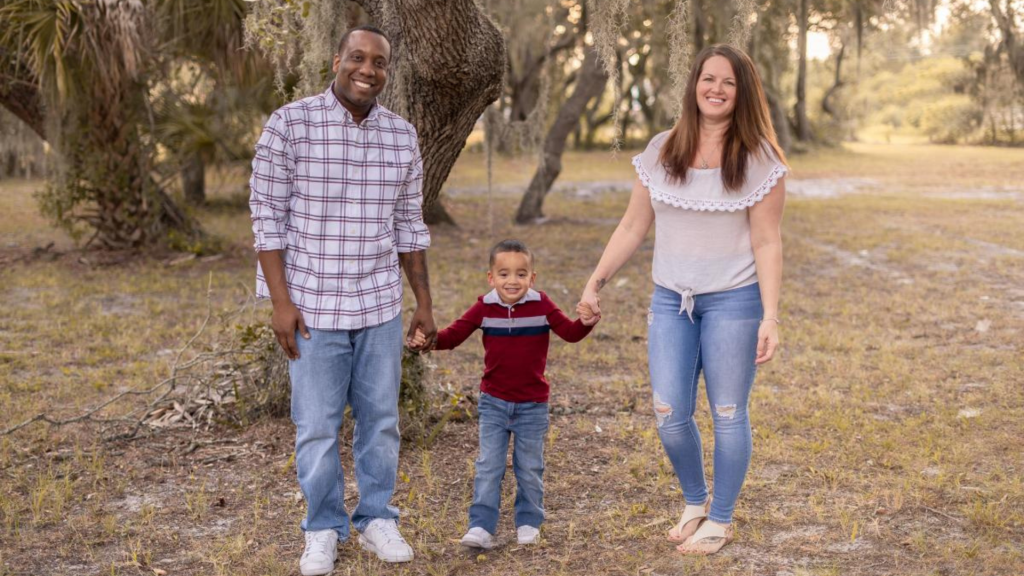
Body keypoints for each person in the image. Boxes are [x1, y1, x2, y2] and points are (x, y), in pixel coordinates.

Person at [576, 44, 787, 555]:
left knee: (729, 411)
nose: (716, 89)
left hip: (735, 303)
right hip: (672, 300)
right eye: (707, 79)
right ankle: (694, 501)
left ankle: (721, 517)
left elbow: (767, 242)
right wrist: (595, 281)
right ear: (693, 85)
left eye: (728, 82)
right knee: (670, 412)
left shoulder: (760, 159)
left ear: (743, 93)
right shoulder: (662, 149)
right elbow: (632, 224)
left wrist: (772, 315)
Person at [249, 25, 435, 575]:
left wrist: (422, 302)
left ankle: (377, 517)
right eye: (358, 57)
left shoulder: (401, 135)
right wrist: (280, 303)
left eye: (379, 62)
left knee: (381, 420)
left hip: (379, 304)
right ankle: (323, 527)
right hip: (311, 309)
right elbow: (267, 219)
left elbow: (408, 225)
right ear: (337, 60)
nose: (368, 69)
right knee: (317, 427)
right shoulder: (290, 124)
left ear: (386, 72)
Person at [410, 240, 598, 549]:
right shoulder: (484, 306)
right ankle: (481, 527)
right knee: (489, 465)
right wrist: (427, 342)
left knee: (530, 466)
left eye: (521, 274)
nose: (513, 281)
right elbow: (453, 336)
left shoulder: (542, 305)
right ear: (491, 277)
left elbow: (570, 333)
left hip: (532, 404)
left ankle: (528, 521)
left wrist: (587, 323)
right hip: (494, 402)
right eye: (504, 274)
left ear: (532, 278)